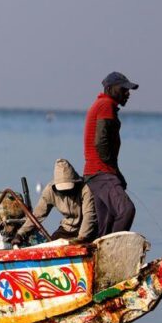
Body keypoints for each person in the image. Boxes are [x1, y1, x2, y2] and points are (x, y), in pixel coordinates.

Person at [83, 71, 137, 236]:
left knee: (107, 225)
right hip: (101, 172)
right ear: (110, 88)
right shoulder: (106, 105)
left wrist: (116, 173)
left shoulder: (102, 105)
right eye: (123, 89)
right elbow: (101, 142)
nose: (127, 93)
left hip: (95, 174)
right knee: (126, 210)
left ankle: (100, 257)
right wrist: (113, 172)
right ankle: (112, 254)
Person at [15, 159, 98, 243]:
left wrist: (81, 239)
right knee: (49, 247)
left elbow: (89, 215)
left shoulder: (85, 189)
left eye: (68, 189)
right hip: (67, 228)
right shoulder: (50, 191)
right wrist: (21, 234)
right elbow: (37, 215)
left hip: (88, 229)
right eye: (62, 191)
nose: (66, 193)